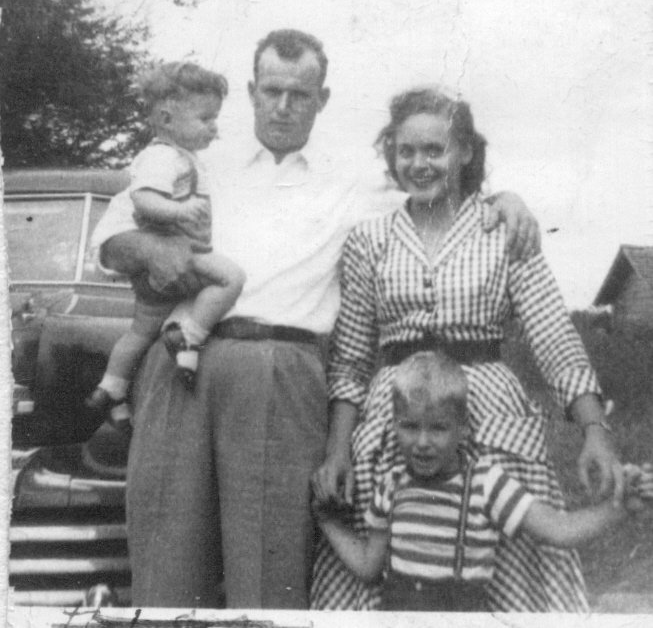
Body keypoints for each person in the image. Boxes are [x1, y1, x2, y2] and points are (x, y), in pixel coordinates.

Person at [98, 31, 539, 609]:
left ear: (321, 98)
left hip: (281, 368)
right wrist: (150, 248)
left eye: (300, 95)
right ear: (252, 91)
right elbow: (112, 238)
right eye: (272, 91)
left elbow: (437, 187)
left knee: (269, 572)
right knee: (165, 559)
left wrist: (502, 198)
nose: (283, 106)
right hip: (180, 358)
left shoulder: (352, 178)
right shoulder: (195, 159)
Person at [311, 86, 622, 612]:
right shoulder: (370, 240)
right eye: (406, 151)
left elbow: (553, 335)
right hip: (396, 422)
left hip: (492, 422)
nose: (419, 164)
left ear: (464, 152)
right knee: (382, 577)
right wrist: (338, 448)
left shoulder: (503, 228)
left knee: (509, 578)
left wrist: (595, 429)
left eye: (434, 150)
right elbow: (351, 358)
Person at [314, 351, 649, 612]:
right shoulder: (391, 486)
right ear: (394, 425)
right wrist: (327, 521)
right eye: (410, 427)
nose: (422, 442)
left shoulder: (485, 483)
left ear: (463, 429)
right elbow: (368, 566)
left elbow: (558, 530)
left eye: (438, 428)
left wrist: (621, 508)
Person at [88, 62, 245, 426]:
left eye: (215, 118)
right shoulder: (163, 157)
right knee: (231, 279)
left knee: (140, 331)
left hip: (162, 268)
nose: (214, 127)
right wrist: (179, 210)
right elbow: (143, 199)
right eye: (206, 118)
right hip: (170, 250)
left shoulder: (183, 157)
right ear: (166, 119)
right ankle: (190, 336)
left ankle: (111, 386)